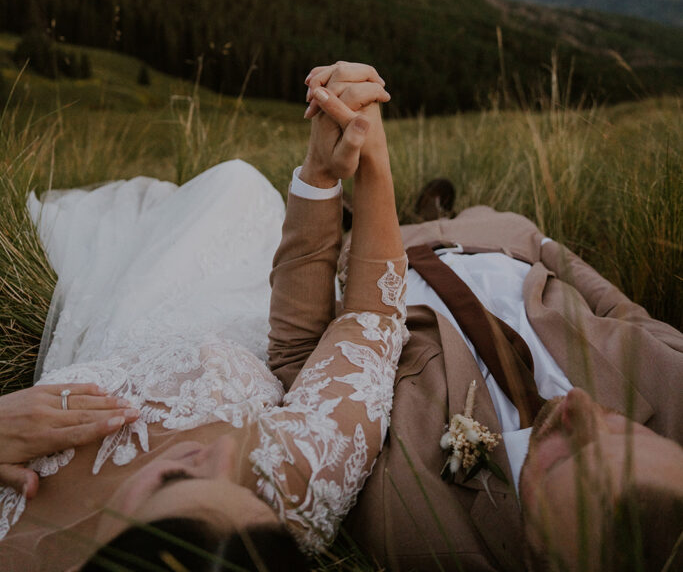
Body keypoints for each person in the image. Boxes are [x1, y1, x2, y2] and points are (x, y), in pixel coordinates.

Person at [270, 61, 683, 572]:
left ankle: (378, 216)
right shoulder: (678, 389)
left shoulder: (411, 522)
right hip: (495, 240)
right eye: (628, 435)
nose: (578, 404)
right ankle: (430, 211)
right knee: (453, 217)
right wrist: (543, 246)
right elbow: (625, 311)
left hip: (374, 269)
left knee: (367, 232)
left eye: (569, 458)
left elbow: (300, 359)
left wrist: (321, 178)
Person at [0, 70, 408, 570]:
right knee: (237, 185)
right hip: (251, 314)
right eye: (256, 500)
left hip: (134, 313)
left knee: (225, 196)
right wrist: (360, 159)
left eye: (175, 481)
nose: (222, 458)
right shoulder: (297, 490)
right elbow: (371, 317)